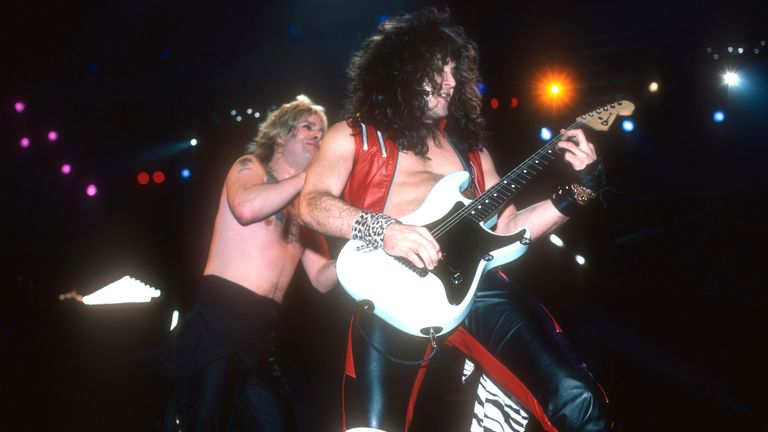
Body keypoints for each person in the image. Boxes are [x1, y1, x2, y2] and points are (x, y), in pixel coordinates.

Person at [298, 9, 611, 432]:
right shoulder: (355, 135)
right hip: (391, 288)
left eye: (453, 72)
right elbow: (312, 204)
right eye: (437, 71)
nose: (450, 82)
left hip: (477, 289)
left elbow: (509, 228)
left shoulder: (471, 152)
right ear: (402, 71)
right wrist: (384, 229)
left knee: (577, 399)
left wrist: (579, 191)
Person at [159, 95, 337, 431]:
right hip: (221, 317)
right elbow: (245, 209)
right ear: (282, 135)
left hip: (261, 333)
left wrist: (365, 252)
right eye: (308, 126)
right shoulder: (250, 168)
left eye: (323, 131)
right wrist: (311, 176)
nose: (318, 135)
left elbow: (322, 279)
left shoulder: (305, 208)